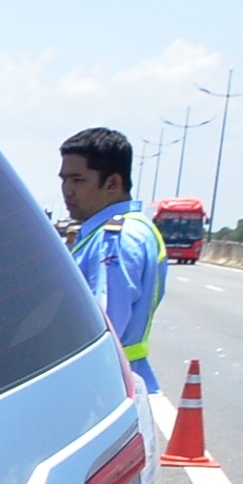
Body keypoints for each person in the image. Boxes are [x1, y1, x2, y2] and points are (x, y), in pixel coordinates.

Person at [58, 127, 168, 393]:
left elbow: (105, 326)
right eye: (64, 179)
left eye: (78, 180)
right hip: (120, 378)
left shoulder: (115, 238)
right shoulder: (132, 229)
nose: (67, 190)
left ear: (112, 183)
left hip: (105, 383)